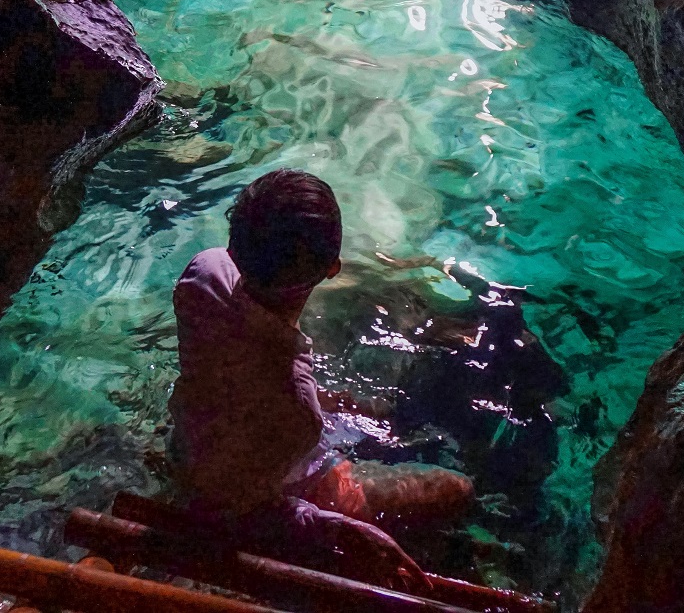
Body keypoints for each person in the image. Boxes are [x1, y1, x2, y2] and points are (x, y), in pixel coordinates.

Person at [165, 169, 472, 589]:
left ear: (235, 247)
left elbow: (243, 376)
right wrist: (334, 527)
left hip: (188, 441)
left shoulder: (203, 273)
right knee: (455, 489)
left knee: (358, 411)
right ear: (332, 269)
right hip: (265, 480)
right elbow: (232, 504)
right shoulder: (295, 408)